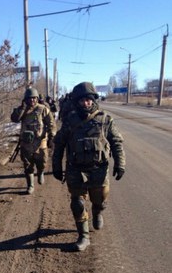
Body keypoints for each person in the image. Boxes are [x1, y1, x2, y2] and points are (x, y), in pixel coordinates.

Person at [52, 82, 126, 251]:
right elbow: (59, 144)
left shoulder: (105, 120)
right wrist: (56, 166)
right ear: (76, 102)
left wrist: (120, 164)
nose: (85, 103)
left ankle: (98, 211)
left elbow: (116, 142)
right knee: (77, 203)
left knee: (100, 200)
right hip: (75, 169)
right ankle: (83, 236)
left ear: (93, 100)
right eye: (82, 100)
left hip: (98, 169)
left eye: (88, 100)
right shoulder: (70, 121)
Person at [11, 87, 57, 194]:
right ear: (25, 99)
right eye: (29, 98)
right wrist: (22, 108)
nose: (32, 100)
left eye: (34, 98)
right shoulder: (22, 110)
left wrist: (52, 136)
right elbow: (14, 119)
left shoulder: (43, 109)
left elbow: (51, 123)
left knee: (42, 163)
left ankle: (40, 172)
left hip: (40, 144)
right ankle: (30, 185)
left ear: (37, 98)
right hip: (26, 144)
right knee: (28, 165)